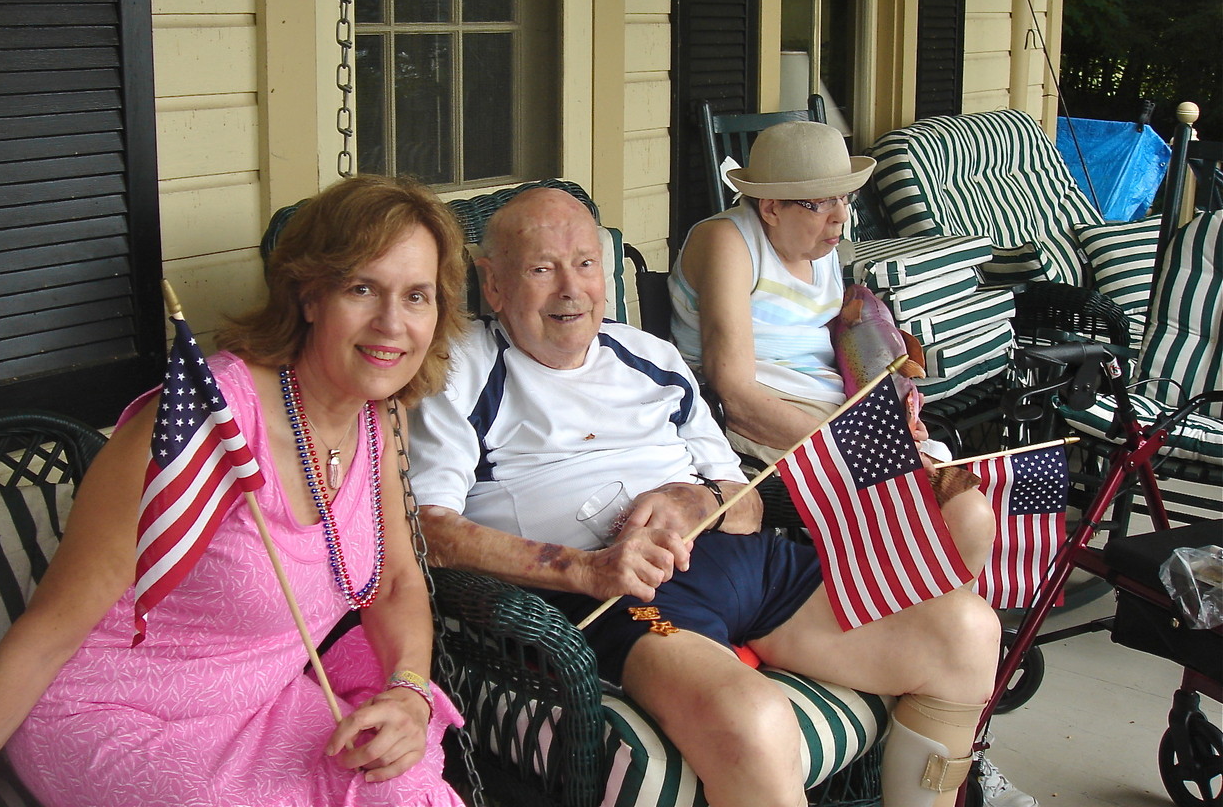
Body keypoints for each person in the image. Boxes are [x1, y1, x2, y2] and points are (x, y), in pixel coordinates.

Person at [407, 185, 1003, 807]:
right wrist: (584, 568)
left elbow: (743, 503)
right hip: (626, 596)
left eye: (585, 263)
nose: (570, 289)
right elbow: (431, 530)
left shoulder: (650, 356)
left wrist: (696, 500)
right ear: (494, 284)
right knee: (755, 718)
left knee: (966, 632)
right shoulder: (458, 372)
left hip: (741, 565)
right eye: (540, 269)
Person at [0, 176, 469, 807]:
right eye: (362, 288)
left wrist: (410, 691)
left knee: (404, 788)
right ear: (309, 296)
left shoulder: (378, 418)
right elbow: (47, 633)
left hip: (263, 706)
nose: (392, 323)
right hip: (118, 717)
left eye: (417, 296)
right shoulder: (201, 424)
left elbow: (395, 584)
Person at [669, 119, 1035, 807]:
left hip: (844, 420)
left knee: (972, 509)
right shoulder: (727, 240)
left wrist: (896, 397)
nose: (840, 217)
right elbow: (736, 390)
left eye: (845, 199)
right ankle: (928, 699)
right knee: (959, 518)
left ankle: (936, 708)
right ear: (769, 204)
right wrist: (867, 444)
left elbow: (842, 343)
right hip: (767, 436)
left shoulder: (823, 246)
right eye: (819, 202)